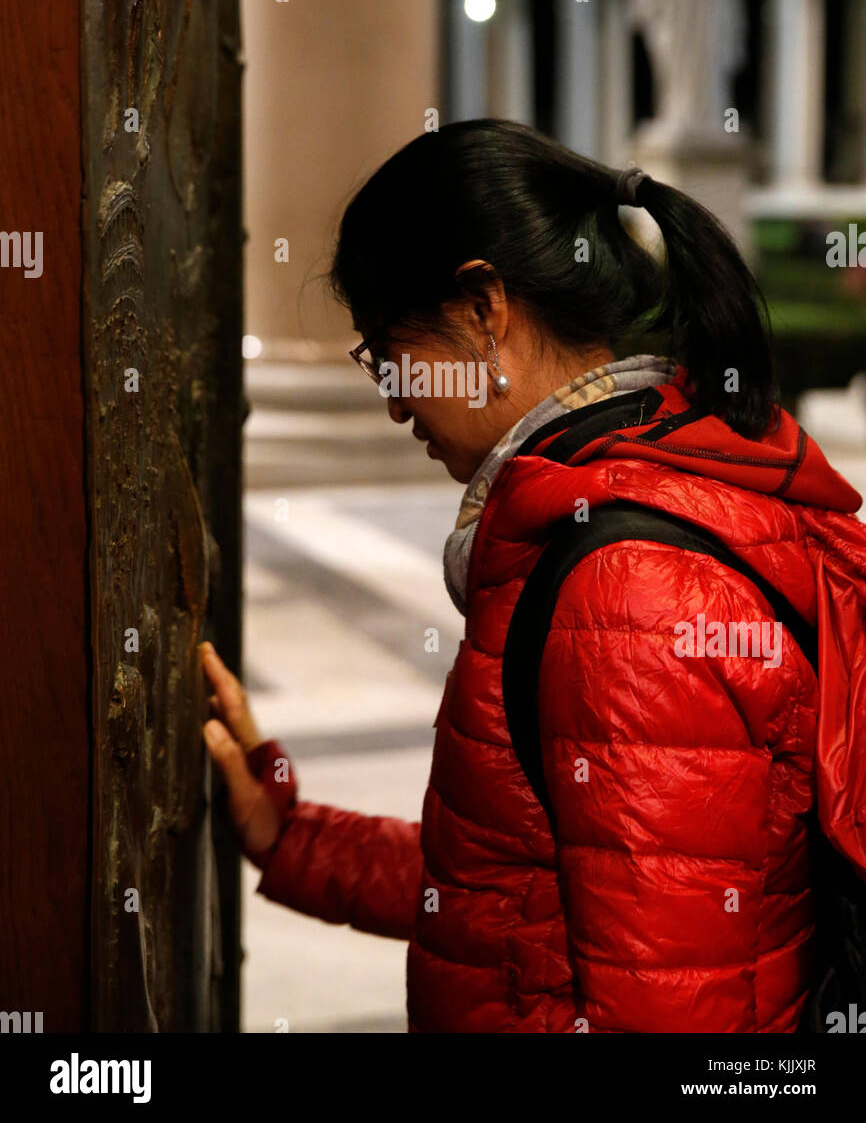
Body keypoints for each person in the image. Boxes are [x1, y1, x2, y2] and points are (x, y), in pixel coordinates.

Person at [202, 118, 866, 1033]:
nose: (394, 401)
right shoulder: (644, 491)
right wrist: (294, 836)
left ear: (484, 308)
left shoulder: (626, 589)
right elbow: (515, 895)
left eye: (386, 350)